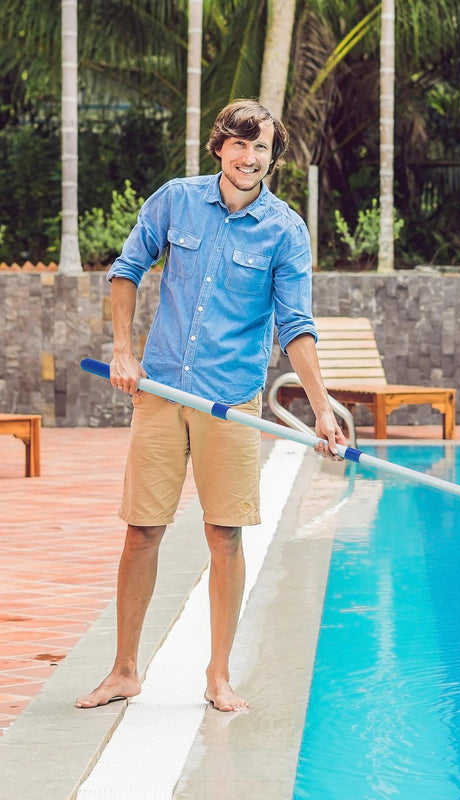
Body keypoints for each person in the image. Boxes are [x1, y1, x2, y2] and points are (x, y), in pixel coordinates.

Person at [76, 99, 346, 713]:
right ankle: (123, 670)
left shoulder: (285, 230)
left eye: (260, 149)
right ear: (219, 146)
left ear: (271, 158)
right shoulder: (175, 199)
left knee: (224, 536)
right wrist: (123, 350)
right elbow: (127, 269)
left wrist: (322, 408)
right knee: (142, 531)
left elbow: (295, 326)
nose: (248, 158)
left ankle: (218, 676)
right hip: (163, 388)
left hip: (231, 398)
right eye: (238, 144)